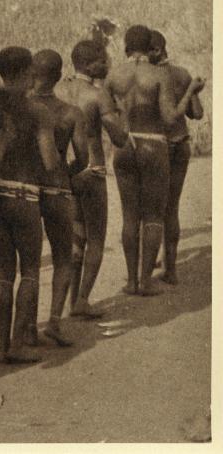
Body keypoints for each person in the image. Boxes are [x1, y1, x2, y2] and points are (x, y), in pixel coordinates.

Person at [105, 25, 204, 296]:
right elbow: (172, 117)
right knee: (153, 216)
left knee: (129, 216)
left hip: (125, 145)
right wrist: (189, 92)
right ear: (150, 47)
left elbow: (106, 115)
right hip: (153, 144)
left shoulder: (113, 76)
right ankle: (146, 282)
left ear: (125, 47)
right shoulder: (159, 75)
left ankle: (130, 281)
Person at [0, 46, 59, 364]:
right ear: (27, 71)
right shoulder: (37, 112)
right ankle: (17, 343)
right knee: (29, 272)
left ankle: (2, 346)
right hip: (24, 195)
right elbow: (51, 162)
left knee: (3, 272)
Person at [61, 40, 128, 317]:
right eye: (102, 60)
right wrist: (120, 109)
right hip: (92, 170)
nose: (107, 63)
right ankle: (82, 300)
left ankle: (68, 300)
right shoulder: (97, 95)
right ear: (89, 65)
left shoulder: (59, 89)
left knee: (75, 238)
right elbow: (120, 138)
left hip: (66, 173)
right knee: (95, 240)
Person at [28, 50, 89, 345]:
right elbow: (84, 159)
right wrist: (66, 173)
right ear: (58, 75)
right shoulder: (70, 112)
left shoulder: (21, 109)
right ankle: (54, 321)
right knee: (63, 257)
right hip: (58, 188)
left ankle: (26, 326)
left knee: (26, 265)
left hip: (26, 189)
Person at [148, 30, 204, 285]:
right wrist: (191, 91)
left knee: (150, 208)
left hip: (157, 147)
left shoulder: (149, 76)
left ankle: (147, 266)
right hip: (180, 144)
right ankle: (170, 268)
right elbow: (197, 113)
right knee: (171, 208)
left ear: (157, 50)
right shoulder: (182, 74)